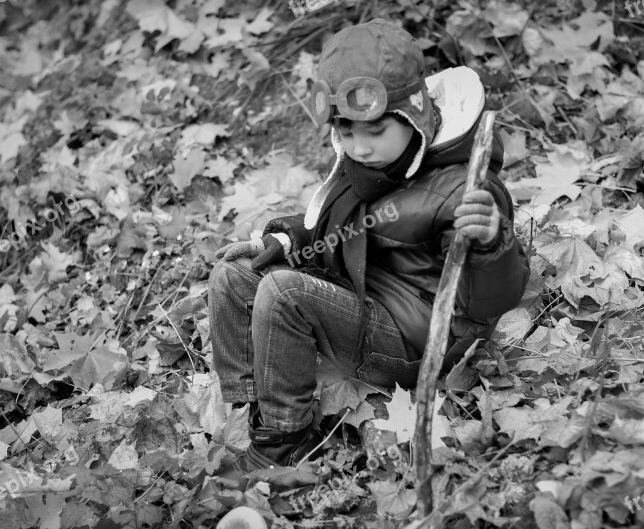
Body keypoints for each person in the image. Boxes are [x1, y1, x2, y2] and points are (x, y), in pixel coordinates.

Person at [208, 19, 529, 474]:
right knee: (233, 277)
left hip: (422, 340)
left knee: (284, 294)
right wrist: (286, 239)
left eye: (375, 130)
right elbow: (340, 224)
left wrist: (492, 244)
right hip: (367, 295)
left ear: (413, 115)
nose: (359, 147)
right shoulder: (379, 160)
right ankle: (256, 413)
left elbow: (492, 301)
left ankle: (285, 445)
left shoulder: (463, 191)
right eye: (347, 130)